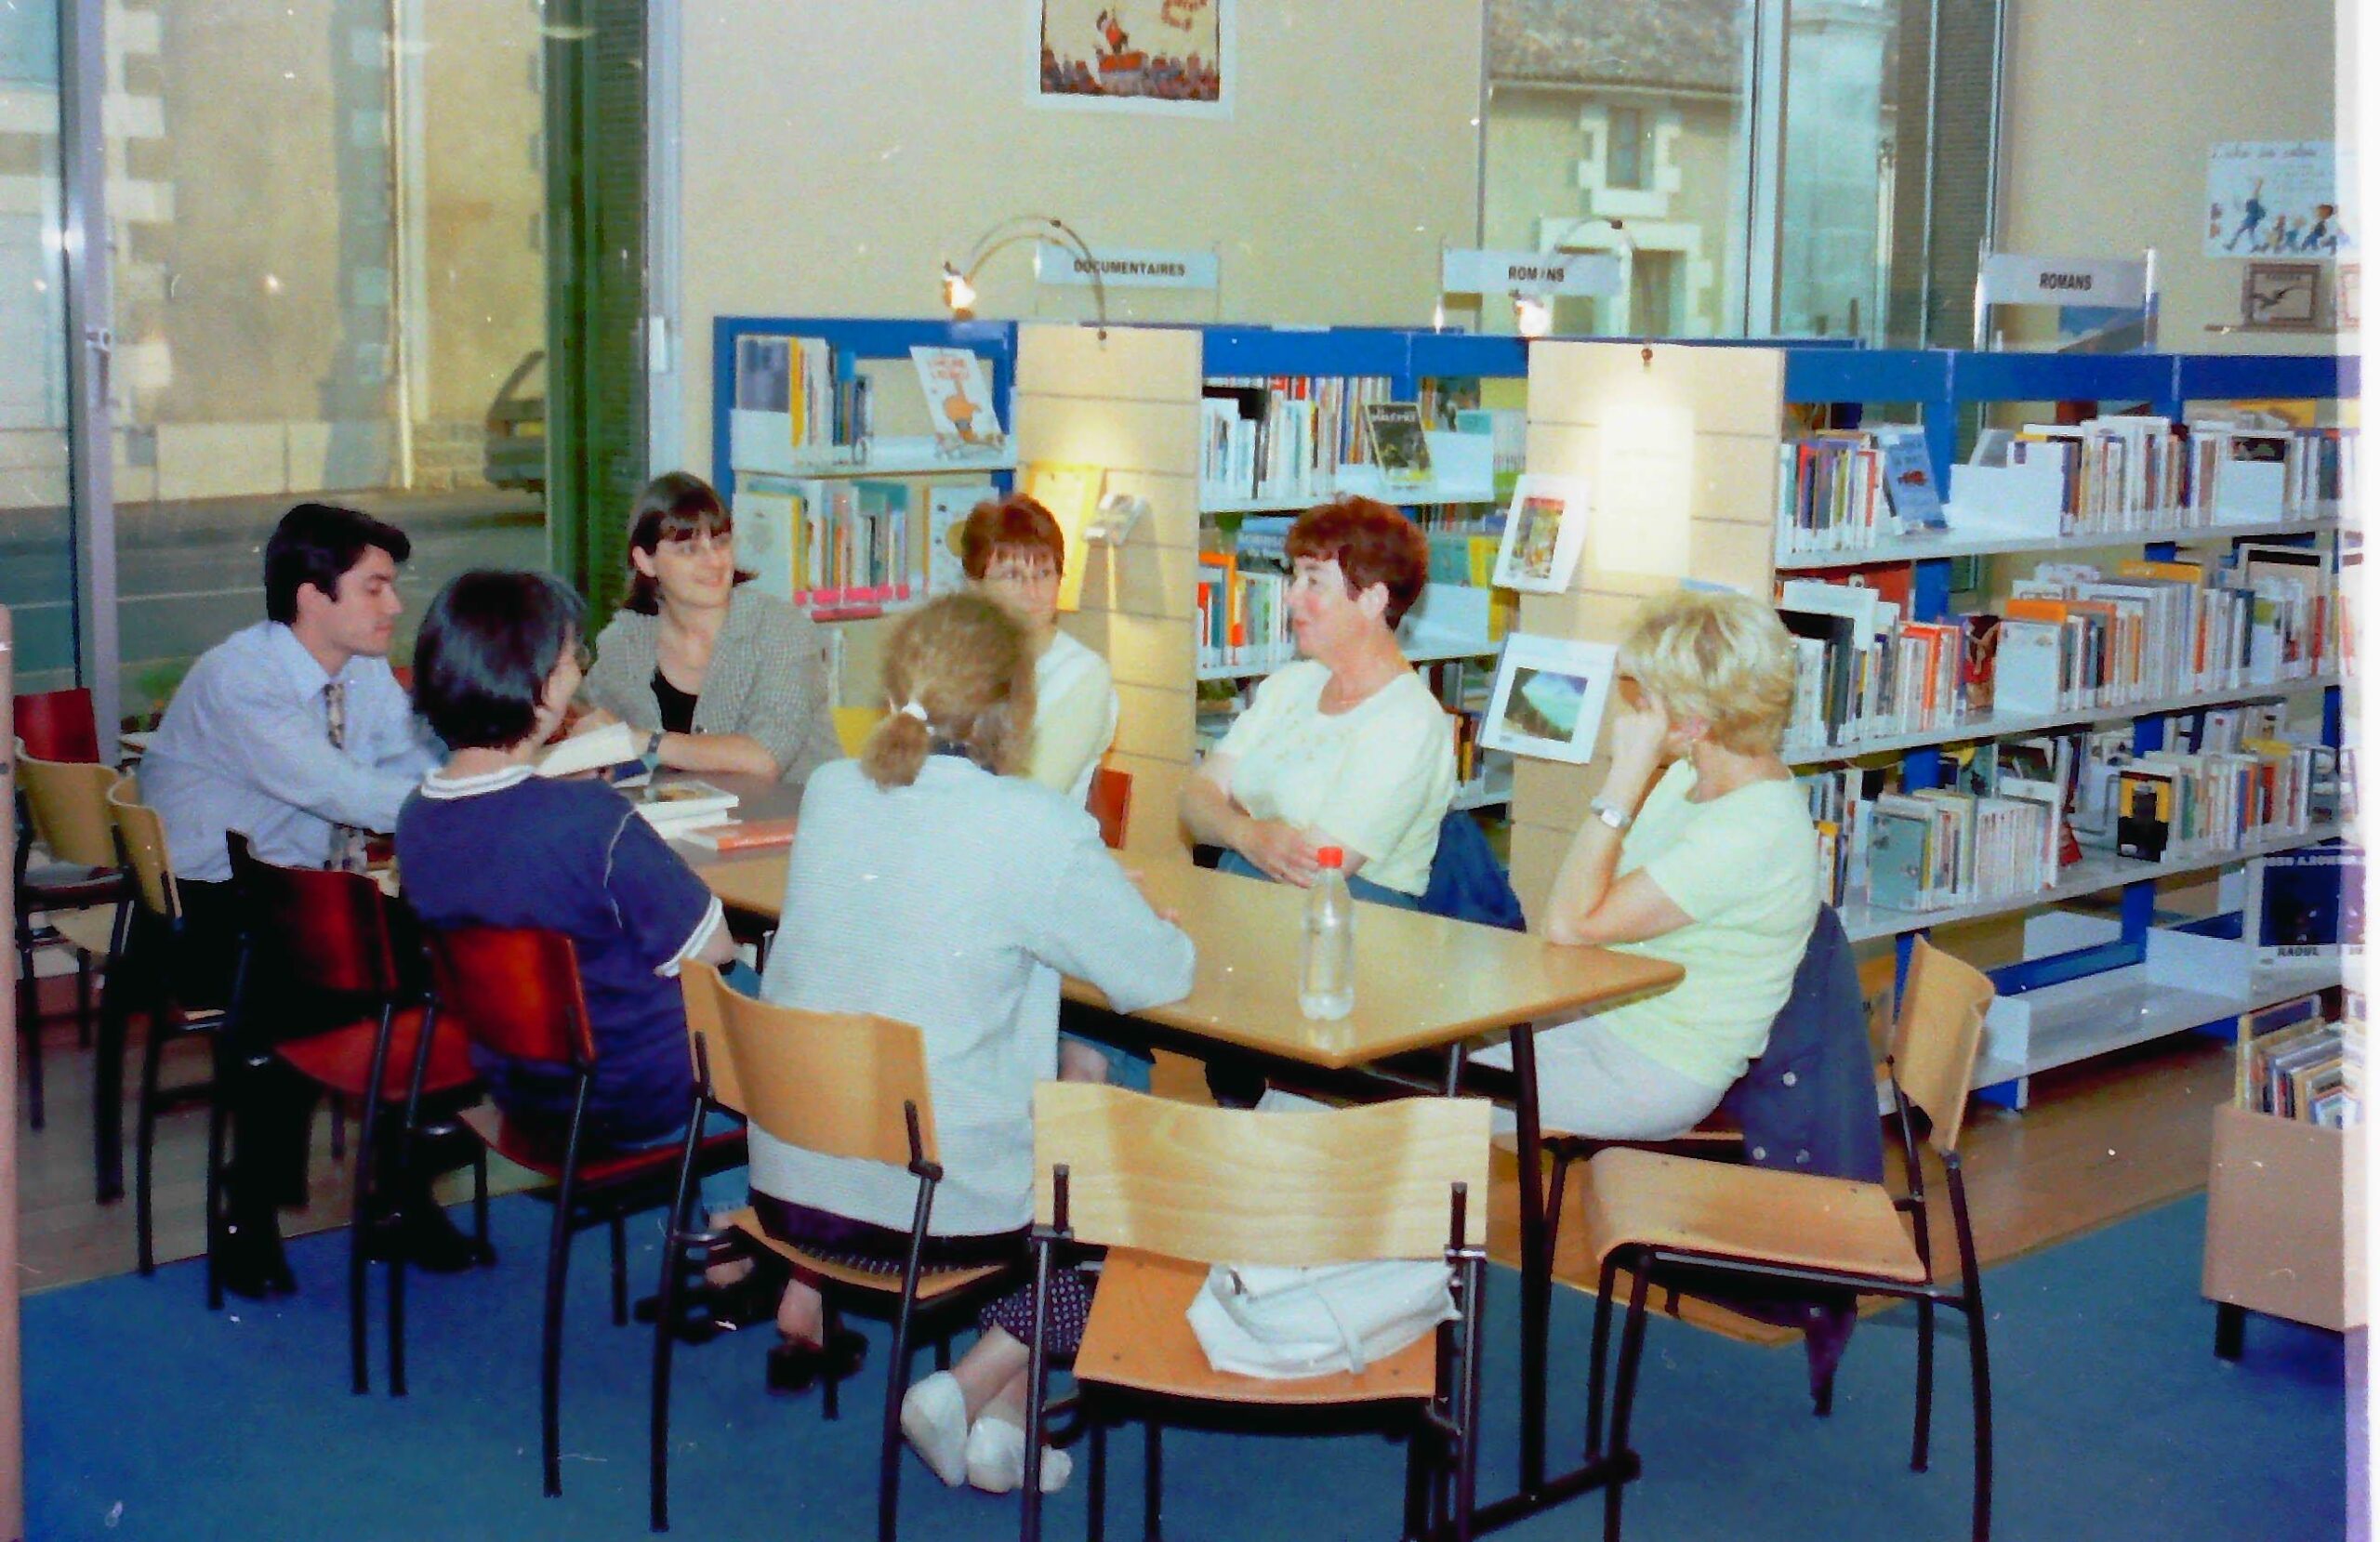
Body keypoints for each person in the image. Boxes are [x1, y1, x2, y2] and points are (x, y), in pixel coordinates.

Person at [752, 593, 1194, 1496]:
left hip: (796, 1192)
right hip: (930, 1214)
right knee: (1126, 1196)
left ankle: (1001, 1432)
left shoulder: (836, 791)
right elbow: (1158, 977)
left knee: (1041, 1109)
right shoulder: (1032, 823)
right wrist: (1131, 907)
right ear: (1013, 708)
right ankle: (966, 1381)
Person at [140, 501, 448, 1298]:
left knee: (444, 961)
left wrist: (471, 769)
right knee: (305, 980)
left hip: (301, 896)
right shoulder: (242, 677)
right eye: (376, 587)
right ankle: (246, 1208)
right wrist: (476, 793)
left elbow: (413, 756)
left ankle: (400, 1190)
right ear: (314, 596)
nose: (394, 605)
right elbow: (343, 790)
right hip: (201, 910)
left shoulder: (363, 670)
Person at [394, 570, 743, 1193]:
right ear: (541, 683)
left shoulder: (416, 817)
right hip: (644, 1097)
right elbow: (715, 947)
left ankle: (720, 1227)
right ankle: (727, 1235)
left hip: (529, 1095)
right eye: (570, 657)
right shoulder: (588, 817)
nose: (577, 673)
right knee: (770, 1001)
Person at [1503, 590, 1820, 1140]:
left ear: (1693, 722)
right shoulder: (1692, 777)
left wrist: (1624, 778)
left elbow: (1570, 925)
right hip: (1604, 1019)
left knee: (1417, 1090)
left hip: (1651, 1066)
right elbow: (1591, 902)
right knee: (1415, 1058)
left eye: (1645, 697)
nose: (1635, 710)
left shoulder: (1750, 830)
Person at [1179, 495, 1456, 910]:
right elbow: (1194, 798)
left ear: (1372, 600)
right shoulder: (1290, 685)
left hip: (1352, 925)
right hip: (1254, 900)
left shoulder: (1410, 722)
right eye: (1295, 579)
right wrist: (1247, 834)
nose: (1290, 598)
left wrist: (1233, 819)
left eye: (1313, 581)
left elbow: (1319, 867)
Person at [574, 471, 838, 786]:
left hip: (789, 823)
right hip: (680, 826)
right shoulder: (624, 642)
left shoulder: (781, 631)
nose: (713, 561)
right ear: (646, 561)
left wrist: (648, 742)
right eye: (688, 549)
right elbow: (584, 718)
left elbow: (764, 758)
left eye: (720, 542)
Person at [961, 493, 1118, 806]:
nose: (1033, 592)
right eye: (1012, 576)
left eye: (1044, 574)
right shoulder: (953, 662)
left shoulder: (1083, 675)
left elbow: (1032, 796)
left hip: (1032, 844)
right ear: (974, 586)